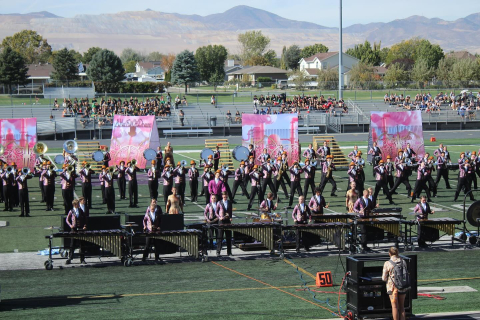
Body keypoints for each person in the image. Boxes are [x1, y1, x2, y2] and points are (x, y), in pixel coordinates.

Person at [382, 247, 407, 320]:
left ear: (389, 254)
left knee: (395, 306)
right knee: (402, 306)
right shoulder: (403, 261)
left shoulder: (387, 263)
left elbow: (384, 278)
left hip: (392, 287)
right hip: (402, 285)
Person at [65, 200, 88, 265]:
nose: (78, 205)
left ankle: (82, 259)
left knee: (82, 245)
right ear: (74, 205)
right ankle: (70, 258)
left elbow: (85, 219)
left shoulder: (81, 211)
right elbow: (67, 219)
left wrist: (84, 226)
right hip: (74, 230)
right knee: (72, 245)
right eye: (77, 204)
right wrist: (70, 225)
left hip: (80, 230)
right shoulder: (71, 211)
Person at [217, 192, 233, 257]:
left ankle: (229, 252)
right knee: (220, 237)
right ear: (222, 196)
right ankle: (218, 252)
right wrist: (219, 217)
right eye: (224, 197)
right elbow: (216, 212)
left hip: (228, 221)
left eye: (226, 197)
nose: (225, 198)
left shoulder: (229, 202)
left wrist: (230, 217)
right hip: (221, 221)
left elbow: (230, 212)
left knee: (228, 237)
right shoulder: (219, 202)